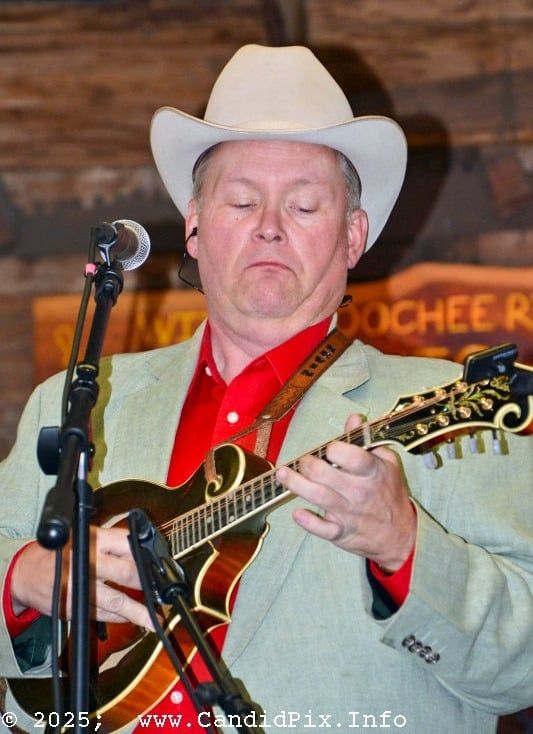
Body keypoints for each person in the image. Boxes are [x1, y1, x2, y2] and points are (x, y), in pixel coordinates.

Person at [0, 44, 532, 734]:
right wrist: (22, 579)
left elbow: (522, 665)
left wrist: (405, 547)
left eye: (305, 205)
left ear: (353, 237)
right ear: (195, 228)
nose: (270, 227)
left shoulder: (453, 410)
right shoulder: (78, 401)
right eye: (242, 201)